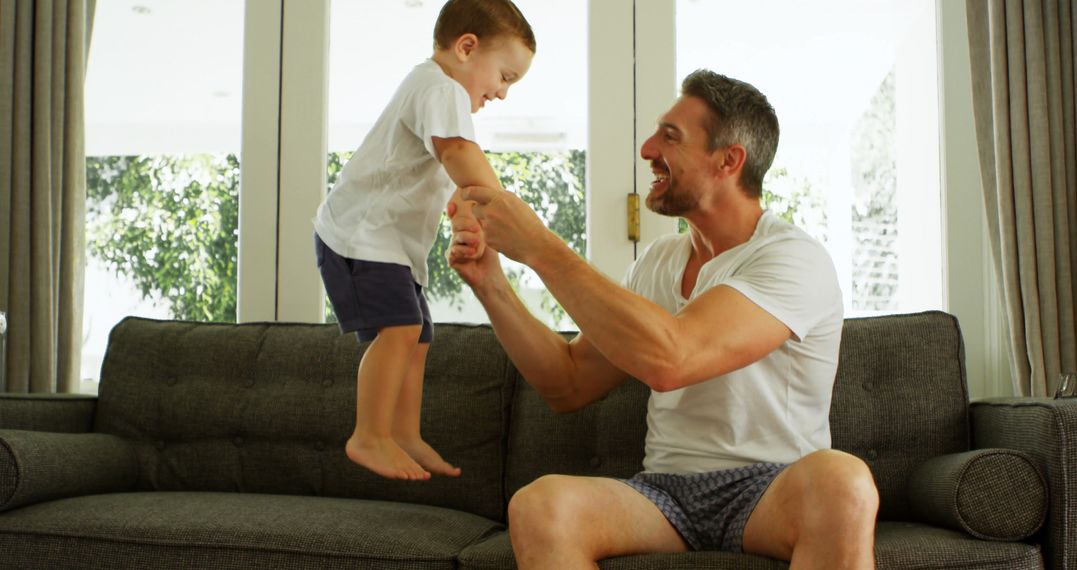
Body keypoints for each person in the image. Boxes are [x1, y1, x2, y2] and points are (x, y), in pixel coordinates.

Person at [447, 70, 879, 568]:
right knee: (540, 506)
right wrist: (491, 283)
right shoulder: (657, 262)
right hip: (665, 494)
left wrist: (540, 246)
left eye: (670, 137)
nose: (648, 149)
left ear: (728, 160)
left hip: (772, 488)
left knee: (842, 482)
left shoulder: (792, 258)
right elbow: (567, 383)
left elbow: (675, 357)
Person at [312, 0, 534, 481]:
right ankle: (369, 434)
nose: (501, 93)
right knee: (400, 332)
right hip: (360, 237)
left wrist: (464, 219)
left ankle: (403, 434)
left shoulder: (438, 96)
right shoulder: (438, 86)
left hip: (388, 245)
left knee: (418, 336)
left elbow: (451, 173)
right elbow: (458, 154)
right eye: (505, 76)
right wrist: (506, 211)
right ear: (467, 47)